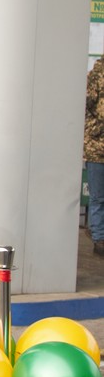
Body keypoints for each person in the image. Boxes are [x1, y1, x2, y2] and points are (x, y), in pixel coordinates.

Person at [85, 56, 104, 256]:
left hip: (95, 145)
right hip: (96, 148)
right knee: (98, 197)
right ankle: (99, 238)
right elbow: (88, 105)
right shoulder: (96, 74)